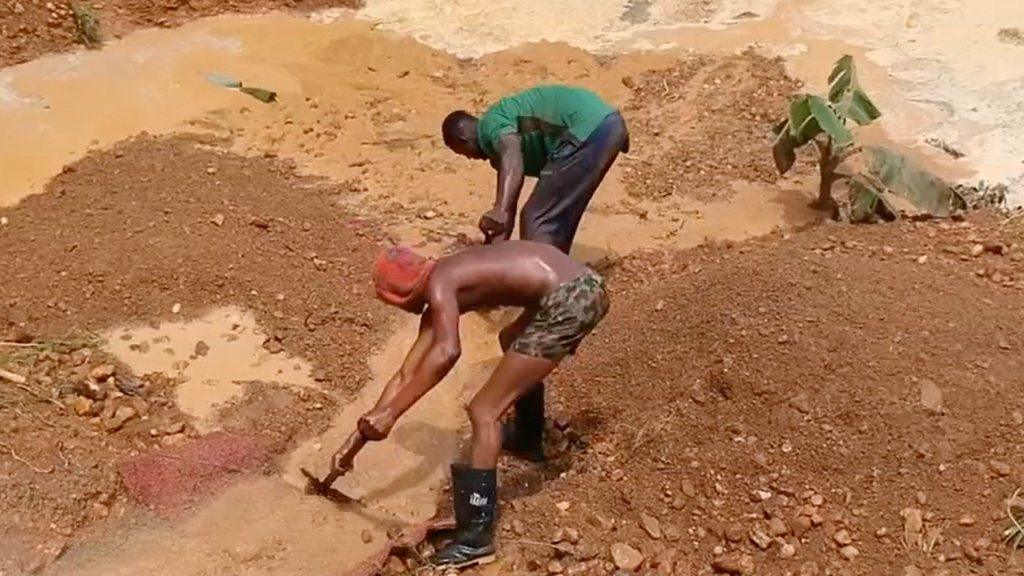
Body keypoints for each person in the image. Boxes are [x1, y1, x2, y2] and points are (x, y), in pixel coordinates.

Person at [331, 242, 610, 568]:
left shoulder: (440, 284)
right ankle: (527, 437)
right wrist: (355, 442)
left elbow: (448, 351)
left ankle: (476, 538)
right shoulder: (444, 279)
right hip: (578, 284)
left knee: (484, 412)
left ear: (401, 295)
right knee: (510, 340)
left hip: (572, 298)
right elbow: (405, 375)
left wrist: (391, 414)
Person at [441, 85, 628, 462]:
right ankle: (550, 299)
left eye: (462, 153)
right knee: (544, 231)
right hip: (601, 127)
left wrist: (501, 209)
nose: (471, 159)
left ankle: (529, 430)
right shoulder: (510, 126)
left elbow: (510, 157)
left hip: (590, 130)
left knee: (536, 219)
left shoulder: (493, 125)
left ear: (464, 135)